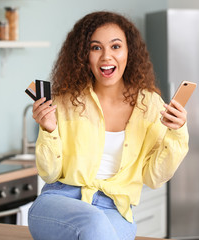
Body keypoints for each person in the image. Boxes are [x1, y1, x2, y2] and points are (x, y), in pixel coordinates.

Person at [28, 11, 189, 240]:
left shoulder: (149, 104)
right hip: (61, 201)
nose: (106, 56)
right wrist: (49, 130)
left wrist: (177, 133)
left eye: (115, 46)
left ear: (128, 52)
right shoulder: (66, 101)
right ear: (84, 55)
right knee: (94, 223)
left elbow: (154, 178)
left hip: (115, 209)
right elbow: (50, 172)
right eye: (96, 48)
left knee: (102, 229)